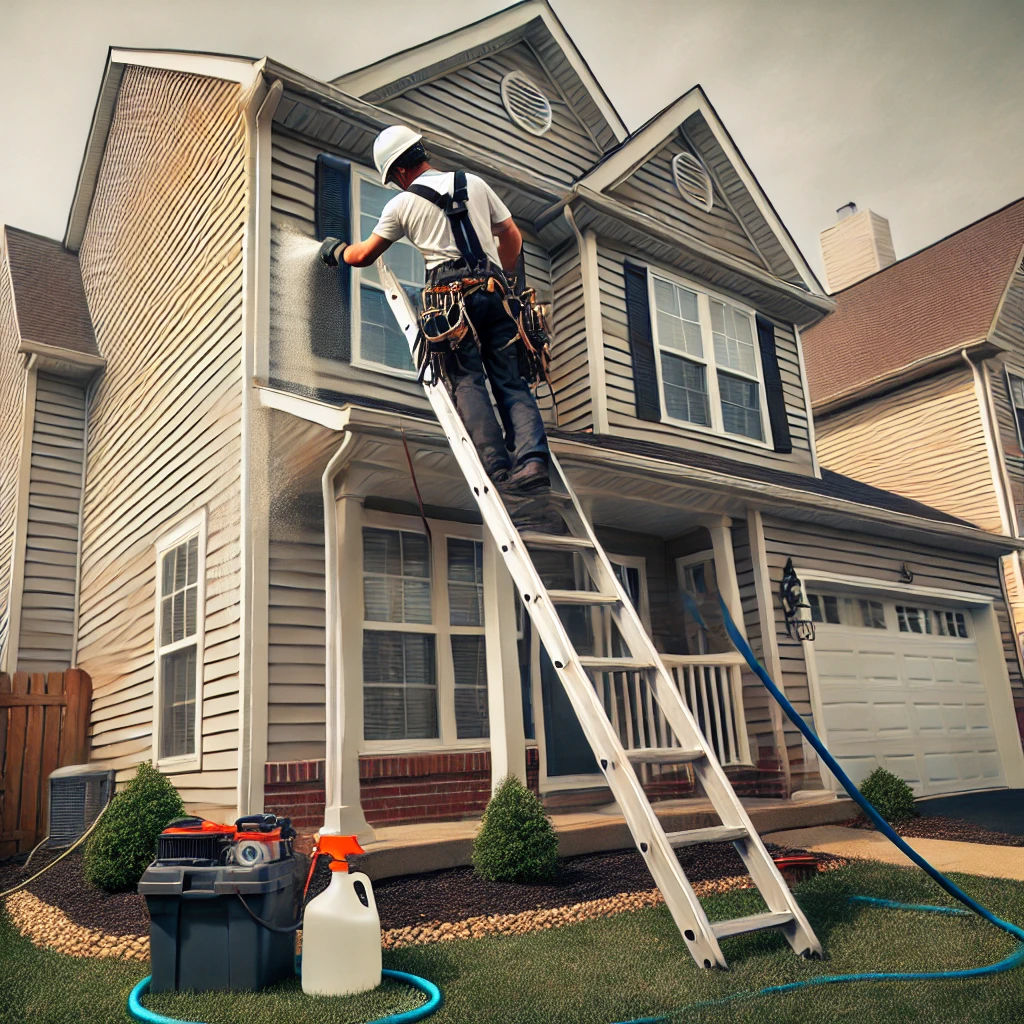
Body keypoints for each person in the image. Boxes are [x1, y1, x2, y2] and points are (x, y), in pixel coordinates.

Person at [319, 125, 551, 495]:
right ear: (419, 151)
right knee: (511, 381)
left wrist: (336, 251)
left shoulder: (401, 205)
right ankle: (533, 461)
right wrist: (502, 277)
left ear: (396, 172)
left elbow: (362, 255)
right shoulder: (474, 183)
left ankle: (498, 473)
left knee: (468, 382)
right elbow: (512, 237)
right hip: (495, 294)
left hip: (449, 303)